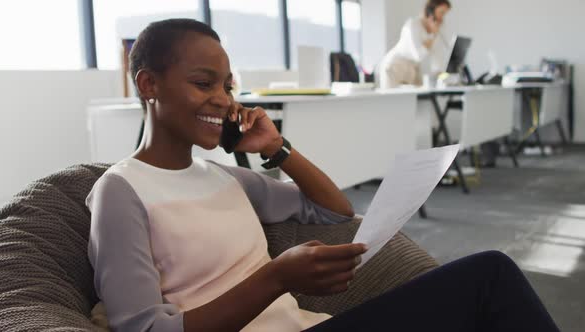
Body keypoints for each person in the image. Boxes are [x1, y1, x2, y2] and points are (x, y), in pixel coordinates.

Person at [87, 18, 560, 332]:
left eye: (228, 86)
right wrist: (275, 278)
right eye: (203, 83)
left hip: (307, 324)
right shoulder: (121, 190)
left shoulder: (224, 177)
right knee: (489, 277)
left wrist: (277, 147)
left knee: (487, 288)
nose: (225, 99)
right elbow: (143, 328)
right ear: (148, 85)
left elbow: (333, 210)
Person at [376, 0, 452, 88]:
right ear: (430, 11)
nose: (442, 18)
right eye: (441, 12)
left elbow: (436, 58)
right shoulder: (412, 25)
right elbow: (418, 55)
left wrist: (442, 74)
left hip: (413, 68)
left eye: (445, 14)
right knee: (393, 100)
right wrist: (432, 36)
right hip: (394, 67)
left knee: (420, 98)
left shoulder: (435, 30)